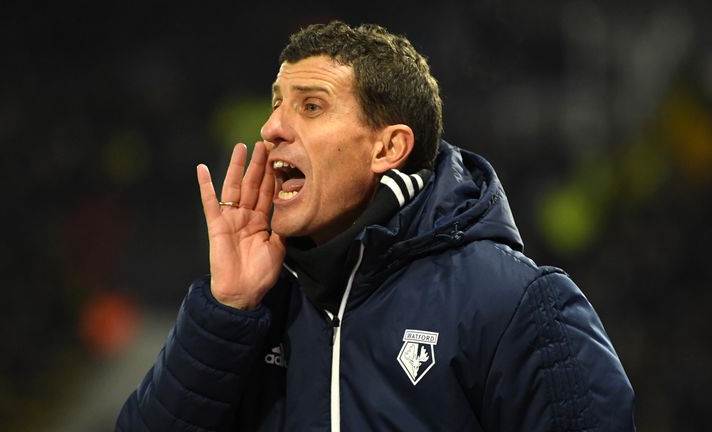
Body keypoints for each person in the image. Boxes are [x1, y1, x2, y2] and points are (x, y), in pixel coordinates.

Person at [116, 20, 635, 431]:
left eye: (311, 106)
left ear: (388, 149)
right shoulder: (254, 304)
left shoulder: (513, 302)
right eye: (277, 103)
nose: (271, 127)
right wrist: (224, 311)